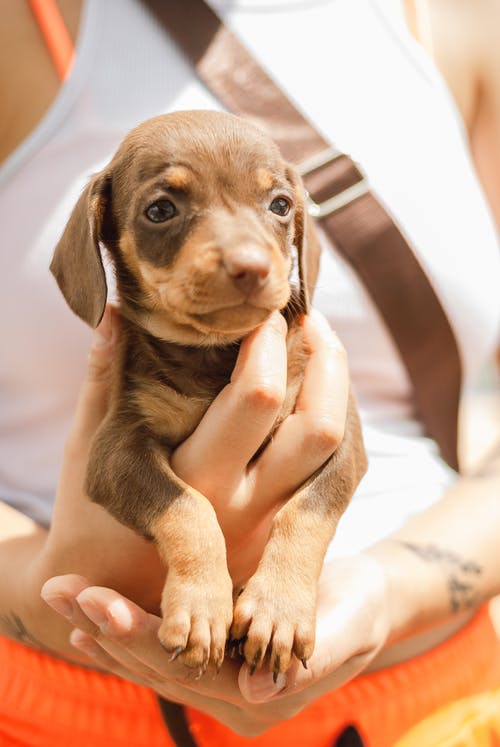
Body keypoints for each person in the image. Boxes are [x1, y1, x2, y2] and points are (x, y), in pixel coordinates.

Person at [1, 0, 499, 745]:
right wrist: (50, 588)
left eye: (273, 207)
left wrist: (389, 588)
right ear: (98, 239)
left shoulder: (463, 20)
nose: (243, 256)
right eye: (165, 209)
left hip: (436, 708)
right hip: (71, 711)